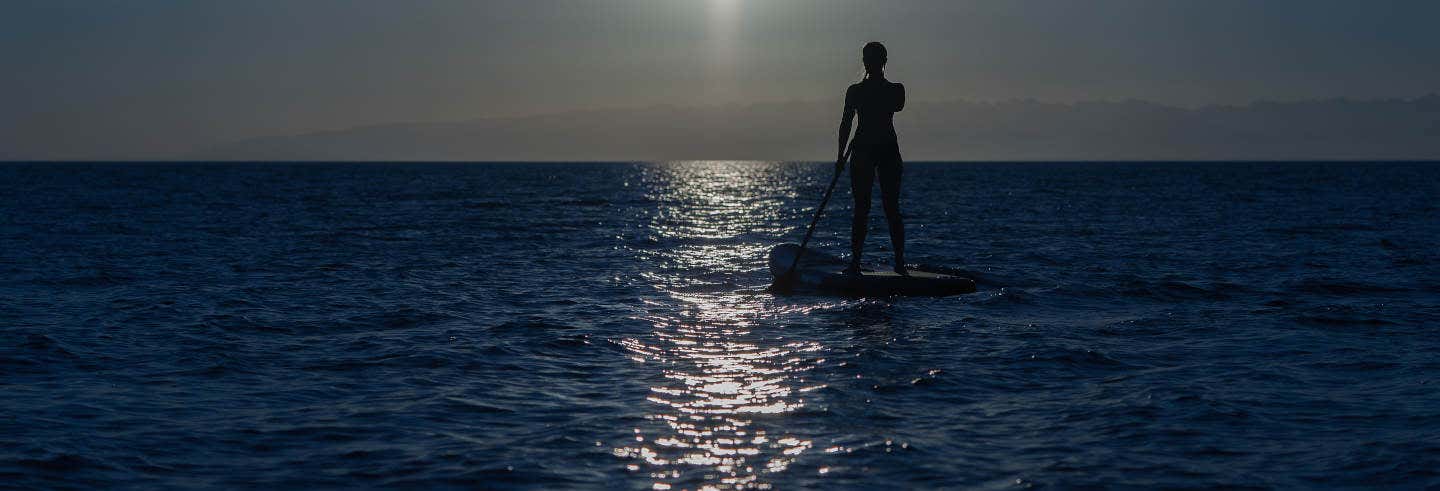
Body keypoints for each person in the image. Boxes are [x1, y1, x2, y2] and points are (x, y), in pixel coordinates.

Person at [837, 41, 906, 275]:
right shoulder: (854, 91)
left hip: (887, 151)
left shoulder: (895, 89)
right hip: (862, 151)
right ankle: (855, 263)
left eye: (874, 59)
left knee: (891, 207)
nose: (869, 63)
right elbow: (846, 123)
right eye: (867, 59)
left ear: (883, 61)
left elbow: (897, 105)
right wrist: (839, 156)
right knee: (861, 208)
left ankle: (899, 263)